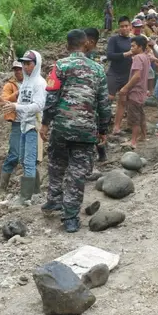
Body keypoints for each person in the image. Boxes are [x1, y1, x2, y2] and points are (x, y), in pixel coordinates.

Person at [40, 29, 111, 233]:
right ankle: (70, 217)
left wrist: (45, 123)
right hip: (86, 130)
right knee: (77, 173)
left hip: (61, 127)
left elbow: (51, 97)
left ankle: (53, 200)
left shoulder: (60, 65)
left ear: (67, 45)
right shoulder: (97, 69)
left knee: (56, 163)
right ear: (85, 44)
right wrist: (103, 129)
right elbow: (103, 103)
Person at [0, 50, 46, 202]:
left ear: (37, 64)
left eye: (29, 63)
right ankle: (35, 193)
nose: (25, 67)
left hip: (34, 125)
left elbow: (39, 105)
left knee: (28, 161)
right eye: (24, 63)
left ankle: (25, 198)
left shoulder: (39, 83)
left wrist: (16, 107)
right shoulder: (26, 84)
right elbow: (21, 102)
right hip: (23, 124)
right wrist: (7, 103)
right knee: (23, 159)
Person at [118, 36, 150, 149]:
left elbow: (136, 76)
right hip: (142, 91)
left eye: (133, 46)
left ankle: (133, 141)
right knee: (141, 114)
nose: (131, 48)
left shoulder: (137, 58)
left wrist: (125, 88)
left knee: (134, 118)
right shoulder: (146, 57)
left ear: (140, 47)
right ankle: (143, 136)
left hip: (135, 92)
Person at [0, 62, 23, 192]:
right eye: (15, 70)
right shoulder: (10, 85)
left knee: (32, 157)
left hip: (33, 122)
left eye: (20, 69)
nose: (18, 72)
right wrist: (17, 94)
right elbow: (3, 101)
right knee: (14, 155)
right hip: (17, 123)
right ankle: (2, 187)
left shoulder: (36, 82)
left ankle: (31, 190)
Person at [82, 27, 107, 162]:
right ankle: (101, 153)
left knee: (94, 127)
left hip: (91, 97)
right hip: (92, 96)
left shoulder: (91, 56)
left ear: (90, 41)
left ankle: (99, 153)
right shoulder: (90, 54)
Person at [106, 16, 133, 134]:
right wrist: (126, 54)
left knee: (122, 101)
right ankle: (102, 124)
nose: (124, 28)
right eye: (122, 26)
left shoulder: (133, 41)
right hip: (113, 72)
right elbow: (109, 55)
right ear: (119, 28)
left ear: (130, 26)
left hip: (127, 74)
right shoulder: (114, 39)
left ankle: (117, 127)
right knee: (108, 98)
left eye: (126, 26)